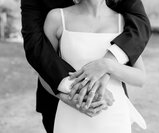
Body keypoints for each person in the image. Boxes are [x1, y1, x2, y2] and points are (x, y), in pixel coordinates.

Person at [21, 0, 151, 132]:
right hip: (69, 110)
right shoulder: (56, 18)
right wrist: (73, 97)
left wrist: (107, 65)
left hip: (112, 114)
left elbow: (140, 77)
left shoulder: (124, 23)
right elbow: (43, 63)